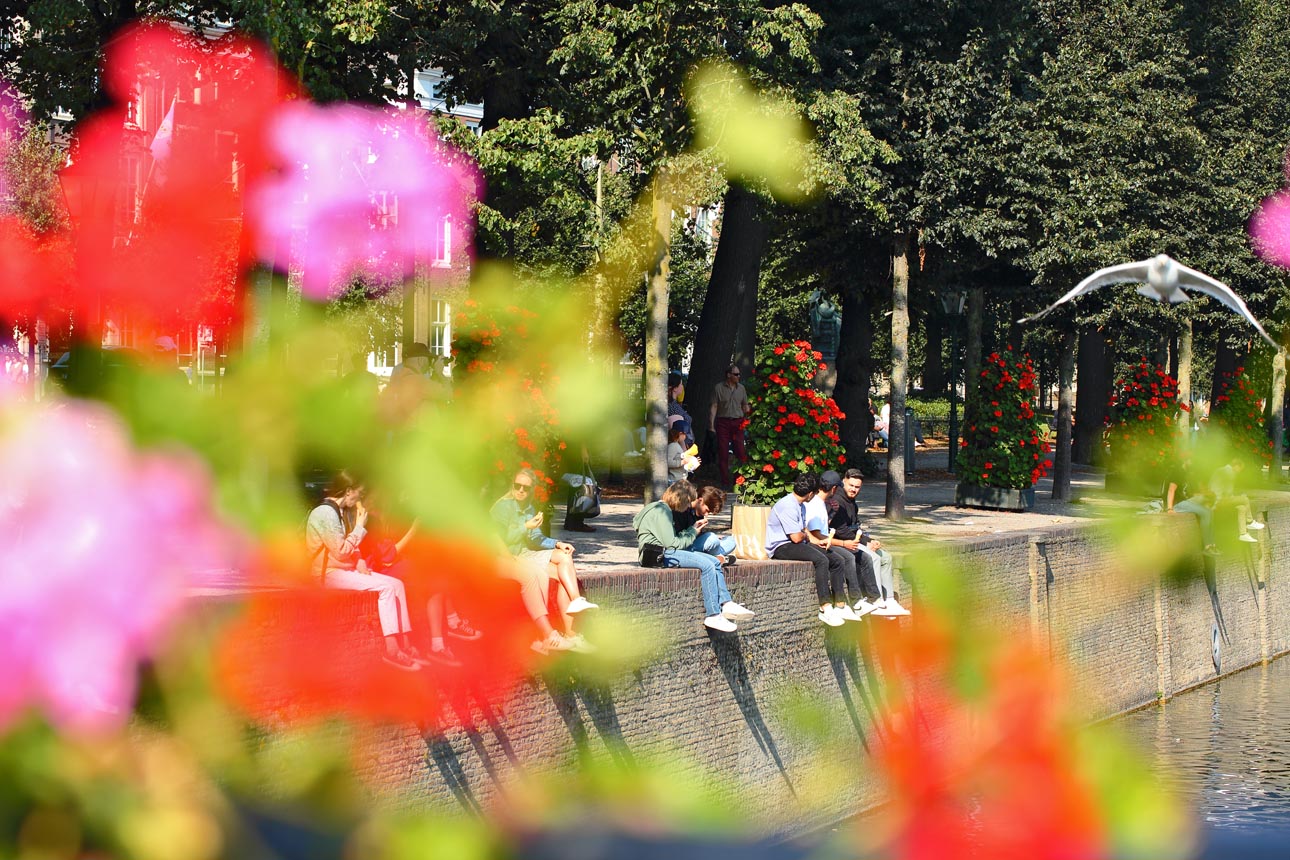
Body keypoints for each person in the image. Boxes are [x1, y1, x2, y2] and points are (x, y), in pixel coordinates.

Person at [305, 471, 424, 671]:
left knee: (398, 585)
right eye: (358, 493)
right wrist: (360, 527)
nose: (360, 498)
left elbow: (348, 546)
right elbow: (341, 550)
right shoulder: (325, 513)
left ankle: (406, 644)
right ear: (348, 491)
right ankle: (392, 650)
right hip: (327, 573)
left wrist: (359, 559)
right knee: (386, 588)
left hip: (342, 568)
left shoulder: (341, 512)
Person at [491, 468, 597, 653]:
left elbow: (535, 539)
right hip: (506, 556)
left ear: (532, 490)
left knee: (564, 558)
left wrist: (557, 543)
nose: (521, 490)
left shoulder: (529, 507)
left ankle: (574, 615)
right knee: (539, 574)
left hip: (524, 553)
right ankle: (549, 634)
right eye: (518, 486)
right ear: (512, 486)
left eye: (526, 487)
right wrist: (525, 527)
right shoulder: (503, 506)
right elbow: (498, 539)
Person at [634, 480, 754, 632]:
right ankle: (713, 614)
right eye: (689, 501)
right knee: (708, 565)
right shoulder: (661, 510)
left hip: (666, 551)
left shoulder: (664, 509)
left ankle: (726, 603)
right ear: (683, 498)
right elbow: (671, 544)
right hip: (659, 554)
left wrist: (693, 531)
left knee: (713, 562)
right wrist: (693, 532)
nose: (689, 505)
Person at [765, 472, 849, 627]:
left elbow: (803, 532)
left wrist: (818, 542)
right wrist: (806, 536)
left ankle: (840, 604)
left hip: (796, 543)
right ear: (810, 493)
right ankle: (825, 606)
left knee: (836, 559)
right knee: (821, 560)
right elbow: (796, 537)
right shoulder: (787, 505)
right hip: (781, 547)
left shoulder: (801, 505)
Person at [825, 468, 910, 616]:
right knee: (874, 558)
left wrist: (870, 540)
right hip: (845, 541)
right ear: (843, 481)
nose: (853, 490)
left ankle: (889, 599)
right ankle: (876, 600)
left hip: (855, 539)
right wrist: (865, 542)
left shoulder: (851, 502)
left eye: (857, 487)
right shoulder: (838, 502)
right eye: (851, 485)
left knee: (887, 558)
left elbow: (855, 526)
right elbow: (841, 531)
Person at [709, 363, 751, 486]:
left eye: (739, 374)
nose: (739, 376)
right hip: (723, 422)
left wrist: (748, 417)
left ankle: (739, 481)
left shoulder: (741, 388)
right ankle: (725, 482)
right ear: (729, 375)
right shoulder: (718, 388)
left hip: (738, 422)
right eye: (736, 374)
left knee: (741, 451)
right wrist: (711, 425)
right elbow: (714, 406)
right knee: (723, 452)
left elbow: (745, 405)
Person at [674, 485, 738, 563]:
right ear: (700, 501)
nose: (707, 515)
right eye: (707, 510)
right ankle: (716, 558)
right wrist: (694, 530)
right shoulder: (682, 510)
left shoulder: (699, 513)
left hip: (696, 545)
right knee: (712, 539)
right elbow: (678, 538)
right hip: (683, 547)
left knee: (731, 541)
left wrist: (703, 534)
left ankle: (712, 557)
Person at [667, 372, 694, 447]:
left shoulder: (674, 405)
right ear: (675, 388)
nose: (682, 386)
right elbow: (677, 432)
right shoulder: (673, 408)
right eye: (681, 384)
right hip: (682, 448)